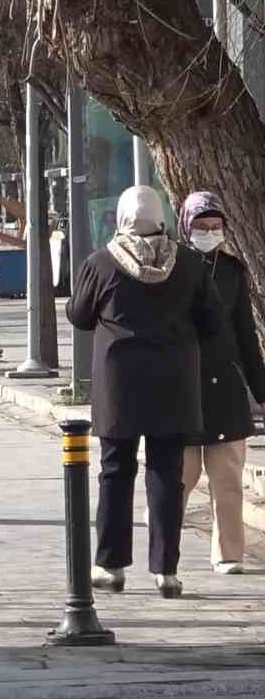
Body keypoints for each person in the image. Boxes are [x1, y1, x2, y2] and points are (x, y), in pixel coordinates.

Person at [66, 185, 219, 600]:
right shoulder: (188, 263)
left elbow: (79, 315)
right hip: (174, 384)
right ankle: (166, 571)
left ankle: (110, 565)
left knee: (115, 471)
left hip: (120, 385)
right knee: (167, 475)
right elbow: (212, 321)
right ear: (160, 219)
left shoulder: (101, 263)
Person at [178, 191, 265, 575]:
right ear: (185, 226)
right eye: (201, 226)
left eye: (215, 227)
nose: (209, 233)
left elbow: (246, 334)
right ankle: (163, 544)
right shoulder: (173, 265)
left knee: (227, 475)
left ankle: (228, 553)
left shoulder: (232, 270)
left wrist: (261, 389)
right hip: (181, 384)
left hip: (225, 385)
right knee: (182, 473)